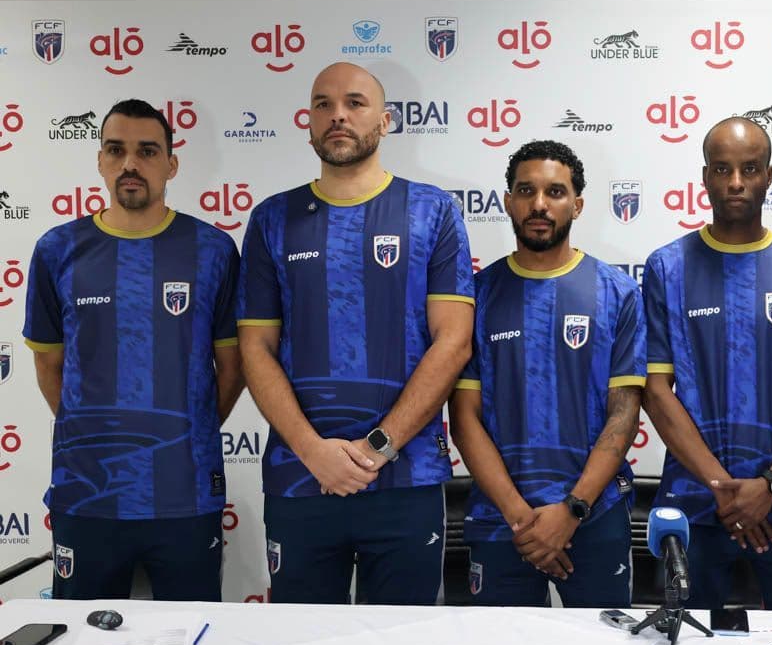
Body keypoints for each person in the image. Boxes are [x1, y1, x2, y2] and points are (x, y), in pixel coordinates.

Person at [237, 62, 474, 605]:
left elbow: (453, 341)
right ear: (309, 121)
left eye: (354, 102)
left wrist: (377, 448)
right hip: (300, 478)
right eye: (323, 104)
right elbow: (255, 347)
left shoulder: (433, 210)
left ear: (386, 120)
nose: (337, 114)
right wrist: (312, 451)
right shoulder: (273, 218)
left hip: (406, 478)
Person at [23, 98, 244, 601]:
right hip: (87, 493)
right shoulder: (57, 249)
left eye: (147, 151)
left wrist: (188, 431)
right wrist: (100, 437)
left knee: (193, 644)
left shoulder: (212, 249)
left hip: (185, 495)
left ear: (171, 164)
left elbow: (232, 368)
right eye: (116, 150)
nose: (130, 164)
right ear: (100, 160)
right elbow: (48, 364)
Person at [642, 117, 772, 610]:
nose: (736, 182)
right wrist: (722, 487)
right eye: (722, 169)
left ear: (769, 174)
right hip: (695, 505)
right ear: (704, 176)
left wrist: (771, 484)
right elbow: (655, 390)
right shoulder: (666, 267)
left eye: (749, 169)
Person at [449, 140, 645, 606]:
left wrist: (572, 510)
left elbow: (624, 416)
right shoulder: (476, 296)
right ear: (508, 201)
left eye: (555, 192)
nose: (539, 204)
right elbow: (464, 420)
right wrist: (524, 520)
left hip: (593, 516)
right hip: (502, 522)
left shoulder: (617, 292)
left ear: (577, 204)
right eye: (526, 190)